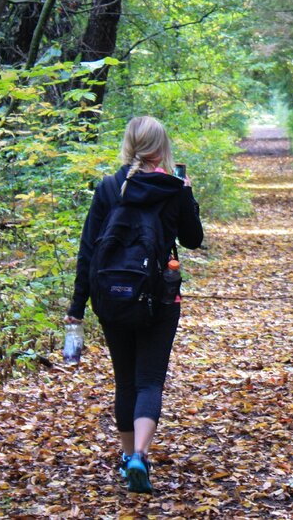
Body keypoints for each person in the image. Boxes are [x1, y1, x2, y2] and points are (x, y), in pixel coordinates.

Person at [65, 116, 203, 493]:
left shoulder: (109, 188)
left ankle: (128, 459)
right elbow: (193, 240)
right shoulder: (172, 188)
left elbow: (89, 250)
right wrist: (187, 194)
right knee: (149, 380)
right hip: (160, 297)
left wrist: (77, 306)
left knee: (125, 380)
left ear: (129, 145)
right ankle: (142, 454)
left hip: (112, 299)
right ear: (162, 147)